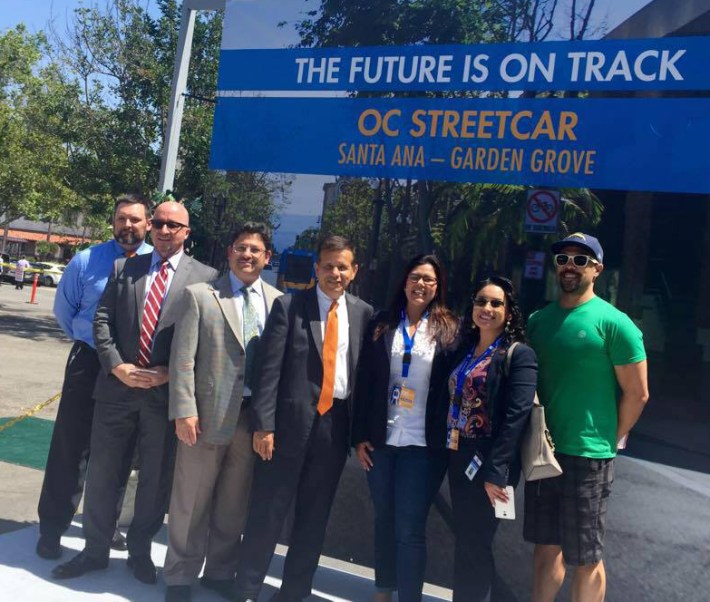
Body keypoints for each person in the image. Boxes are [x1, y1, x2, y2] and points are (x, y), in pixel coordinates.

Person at [51, 201, 218, 585]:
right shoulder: (124, 268)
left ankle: (140, 553)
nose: (163, 230)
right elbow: (102, 320)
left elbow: (204, 339)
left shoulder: (206, 278)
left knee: (155, 480)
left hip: (164, 398)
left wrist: (169, 374)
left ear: (186, 232)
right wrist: (116, 365)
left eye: (172, 225)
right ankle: (93, 551)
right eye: (158, 223)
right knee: (104, 474)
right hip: (116, 391)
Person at [234, 235, 373, 602]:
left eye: (342, 266)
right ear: (316, 268)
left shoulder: (363, 313)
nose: (335, 273)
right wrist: (264, 425)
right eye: (328, 265)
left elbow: (362, 376)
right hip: (286, 428)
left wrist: (359, 433)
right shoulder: (290, 306)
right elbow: (268, 371)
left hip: (335, 427)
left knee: (313, 518)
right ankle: (246, 588)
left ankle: (294, 592)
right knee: (268, 512)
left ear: (353, 271)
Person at [523, 233, 649, 602]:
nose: (570, 267)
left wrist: (610, 439)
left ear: (597, 269)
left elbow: (638, 393)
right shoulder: (538, 320)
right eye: (563, 258)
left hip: (589, 456)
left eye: (581, 261)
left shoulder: (615, 323)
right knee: (546, 547)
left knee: (586, 558)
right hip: (543, 454)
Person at [163, 223, 282, 602]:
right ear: (230, 252)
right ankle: (180, 577)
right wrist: (184, 410)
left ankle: (218, 572)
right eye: (241, 248)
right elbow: (182, 359)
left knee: (234, 504)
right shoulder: (200, 295)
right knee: (191, 501)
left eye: (256, 250)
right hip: (204, 416)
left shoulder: (278, 302)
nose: (248, 255)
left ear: (267, 257)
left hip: (250, 422)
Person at [36, 194, 153, 560]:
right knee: (71, 448)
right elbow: (65, 311)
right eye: (122, 219)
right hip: (89, 363)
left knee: (119, 454)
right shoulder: (86, 260)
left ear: (147, 224)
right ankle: (52, 528)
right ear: (113, 222)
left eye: (135, 220)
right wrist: (94, 349)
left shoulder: (156, 264)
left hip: (132, 370)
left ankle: (107, 527)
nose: (128, 226)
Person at [352, 254, 458, 602]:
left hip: (423, 449)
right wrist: (359, 437)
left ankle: (409, 597)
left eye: (429, 279)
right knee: (384, 520)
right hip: (382, 442)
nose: (421, 285)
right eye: (415, 277)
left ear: (438, 286)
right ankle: (383, 590)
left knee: (410, 529)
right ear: (404, 281)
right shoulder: (382, 324)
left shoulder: (450, 331)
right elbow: (365, 383)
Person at [445, 275, 537, 602]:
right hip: (459, 456)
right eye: (481, 301)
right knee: (466, 541)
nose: (487, 308)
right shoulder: (465, 350)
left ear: (509, 313)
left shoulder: (518, 355)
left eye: (496, 303)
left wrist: (496, 471)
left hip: (490, 463)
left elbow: (516, 417)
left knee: (477, 543)